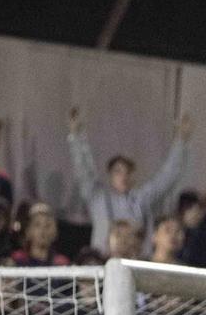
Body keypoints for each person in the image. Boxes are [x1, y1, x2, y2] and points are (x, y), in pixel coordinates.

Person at [66, 105, 192, 250]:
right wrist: (76, 136)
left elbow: (166, 177)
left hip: (136, 261)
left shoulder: (140, 199)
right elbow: (84, 170)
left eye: (128, 172)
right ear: (110, 176)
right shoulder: (98, 198)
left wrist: (181, 142)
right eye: (118, 171)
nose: (123, 176)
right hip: (104, 262)